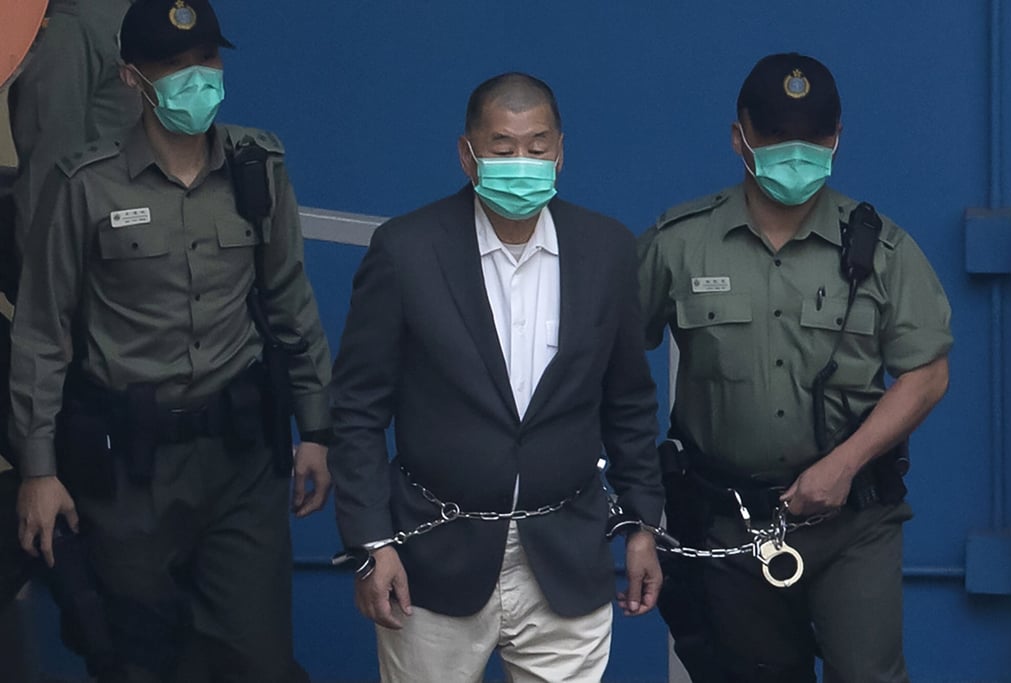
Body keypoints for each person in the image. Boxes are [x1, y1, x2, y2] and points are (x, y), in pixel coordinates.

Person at [9, 1, 333, 680]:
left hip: (240, 460)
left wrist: (316, 429)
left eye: (206, 59)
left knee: (259, 661)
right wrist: (39, 470)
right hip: (129, 471)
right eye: (172, 65)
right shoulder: (85, 185)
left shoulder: (257, 165)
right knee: (141, 660)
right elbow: (42, 334)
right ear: (132, 78)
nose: (196, 77)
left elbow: (290, 302)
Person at [329, 72, 664, 683]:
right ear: (467, 155)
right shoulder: (406, 250)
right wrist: (372, 542)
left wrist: (642, 523)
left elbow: (629, 402)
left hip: (568, 554)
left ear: (561, 151)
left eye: (537, 147)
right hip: (432, 557)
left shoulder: (608, 249)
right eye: (503, 148)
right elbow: (357, 407)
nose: (522, 163)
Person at [638, 53, 952, 682]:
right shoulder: (679, 243)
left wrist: (845, 463)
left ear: (836, 139)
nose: (796, 153)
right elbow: (610, 361)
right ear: (740, 138)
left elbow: (927, 373)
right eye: (778, 137)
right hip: (728, 522)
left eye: (813, 138)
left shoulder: (884, 249)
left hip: (853, 521)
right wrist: (635, 504)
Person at [9, 0, 140, 263]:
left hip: (139, 247)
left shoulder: (139, 11)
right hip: (92, 256)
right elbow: (46, 176)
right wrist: (48, 279)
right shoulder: (77, 20)